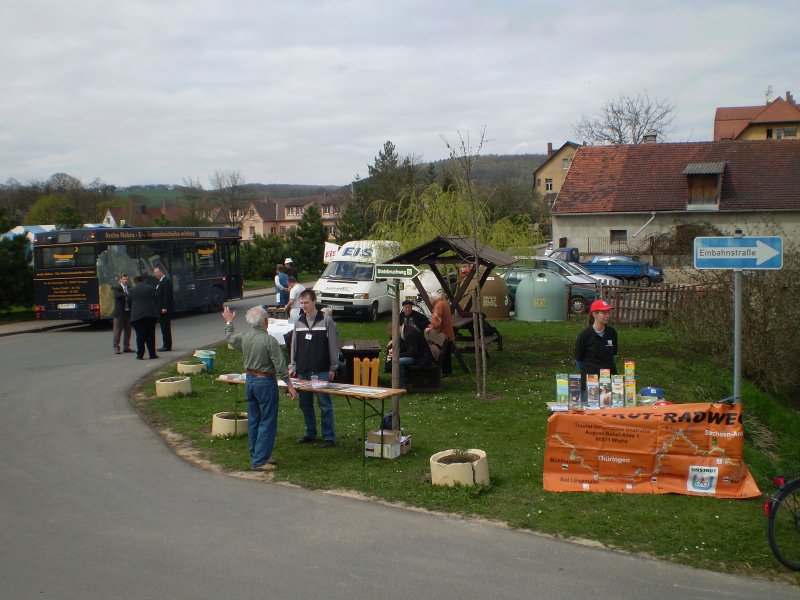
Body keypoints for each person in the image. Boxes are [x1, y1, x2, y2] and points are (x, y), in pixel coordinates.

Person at [223, 304, 297, 472]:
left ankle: (257, 453)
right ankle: (260, 460)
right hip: (265, 382)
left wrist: (229, 322)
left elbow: (230, 338)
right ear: (265, 321)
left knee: (255, 419)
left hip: (250, 380)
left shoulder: (245, 337)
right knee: (267, 421)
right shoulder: (269, 340)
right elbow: (280, 365)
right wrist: (289, 385)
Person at [288, 289, 339, 448]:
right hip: (303, 370)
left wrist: (333, 367)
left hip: (321, 370)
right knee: (305, 404)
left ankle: (329, 436)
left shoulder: (326, 320)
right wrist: (293, 366)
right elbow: (294, 346)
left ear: (314, 301)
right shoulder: (298, 321)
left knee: (325, 404)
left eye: (306, 302)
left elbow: (333, 345)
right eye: (301, 303)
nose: (303, 306)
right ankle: (310, 432)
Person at [574, 299, 618, 394]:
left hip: (609, 380)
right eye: (603, 312)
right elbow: (579, 360)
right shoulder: (584, 335)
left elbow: (614, 354)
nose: (607, 315)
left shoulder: (612, 333)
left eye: (608, 312)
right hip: (590, 381)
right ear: (594, 314)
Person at [387, 322, 434, 389]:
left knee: (398, 362)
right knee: (396, 360)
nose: (393, 337)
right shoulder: (404, 331)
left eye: (393, 335)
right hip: (415, 356)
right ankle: (400, 382)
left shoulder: (409, 333)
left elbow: (413, 352)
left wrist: (397, 355)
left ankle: (401, 387)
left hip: (420, 358)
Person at [129, 275, 159, 360]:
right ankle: (152, 354)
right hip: (150, 314)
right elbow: (155, 299)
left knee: (140, 336)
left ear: (135, 282)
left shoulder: (131, 290)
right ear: (144, 280)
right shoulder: (151, 288)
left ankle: (140, 355)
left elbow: (129, 303)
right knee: (150, 335)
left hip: (137, 316)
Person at [425, 290, 455, 375]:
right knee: (447, 353)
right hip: (448, 332)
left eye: (430, 300)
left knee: (440, 351)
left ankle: (435, 367)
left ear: (433, 300)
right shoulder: (444, 302)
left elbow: (436, 318)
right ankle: (447, 371)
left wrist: (431, 327)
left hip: (443, 334)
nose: (430, 302)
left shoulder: (438, 305)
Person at [111, 273, 133, 354]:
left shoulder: (130, 287)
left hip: (128, 312)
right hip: (119, 313)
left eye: (127, 279)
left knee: (128, 330)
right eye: (124, 279)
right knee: (117, 331)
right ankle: (116, 347)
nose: (126, 281)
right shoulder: (116, 288)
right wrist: (126, 294)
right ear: (120, 280)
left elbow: (132, 297)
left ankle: (126, 347)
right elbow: (118, 296)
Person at [153, 266, 173, 351]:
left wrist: (165, 307)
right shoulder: (160, 281)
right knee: (163, 327)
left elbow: (166, 296)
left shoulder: (166, 281)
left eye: (156, 273)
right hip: (160, 308)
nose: (155, 275)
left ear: (161, 272)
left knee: (165, 328)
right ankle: (166, 344)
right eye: (154, 273)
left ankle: (167, 346)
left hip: (163, 309)